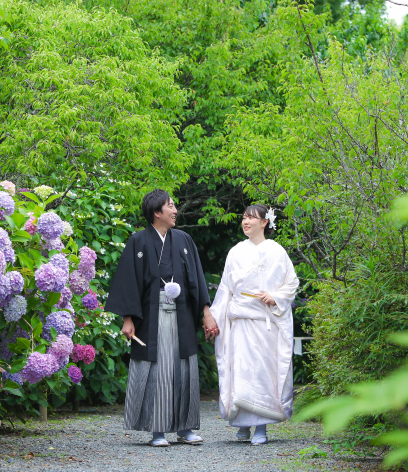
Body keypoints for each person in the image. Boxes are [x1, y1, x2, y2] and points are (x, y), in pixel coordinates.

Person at [105, 189, 219, 447]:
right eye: (171, 206)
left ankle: (186, 428)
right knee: (157, 370)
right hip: (151, 316)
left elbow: (196, 279)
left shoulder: (184, 239)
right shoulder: (138, 241)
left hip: (182, 314)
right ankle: (157, 430)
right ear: (157, 212)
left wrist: (206, 312)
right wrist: (127, 318)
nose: (175, 210)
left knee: (184, 368)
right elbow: (128, 281)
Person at [209, 204, 299, 445]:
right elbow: (225, 289)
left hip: (265, 323)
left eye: (251, 218)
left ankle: (261, 426)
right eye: (244, 218)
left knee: (261, 373)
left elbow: (291, 282)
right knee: (241, 371)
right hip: (240, 322)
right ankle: (242, 423)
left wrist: (275, 297)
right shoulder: (236, 252)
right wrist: (215, 319)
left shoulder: (277, 251)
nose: (246, 222)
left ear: (264, 222)